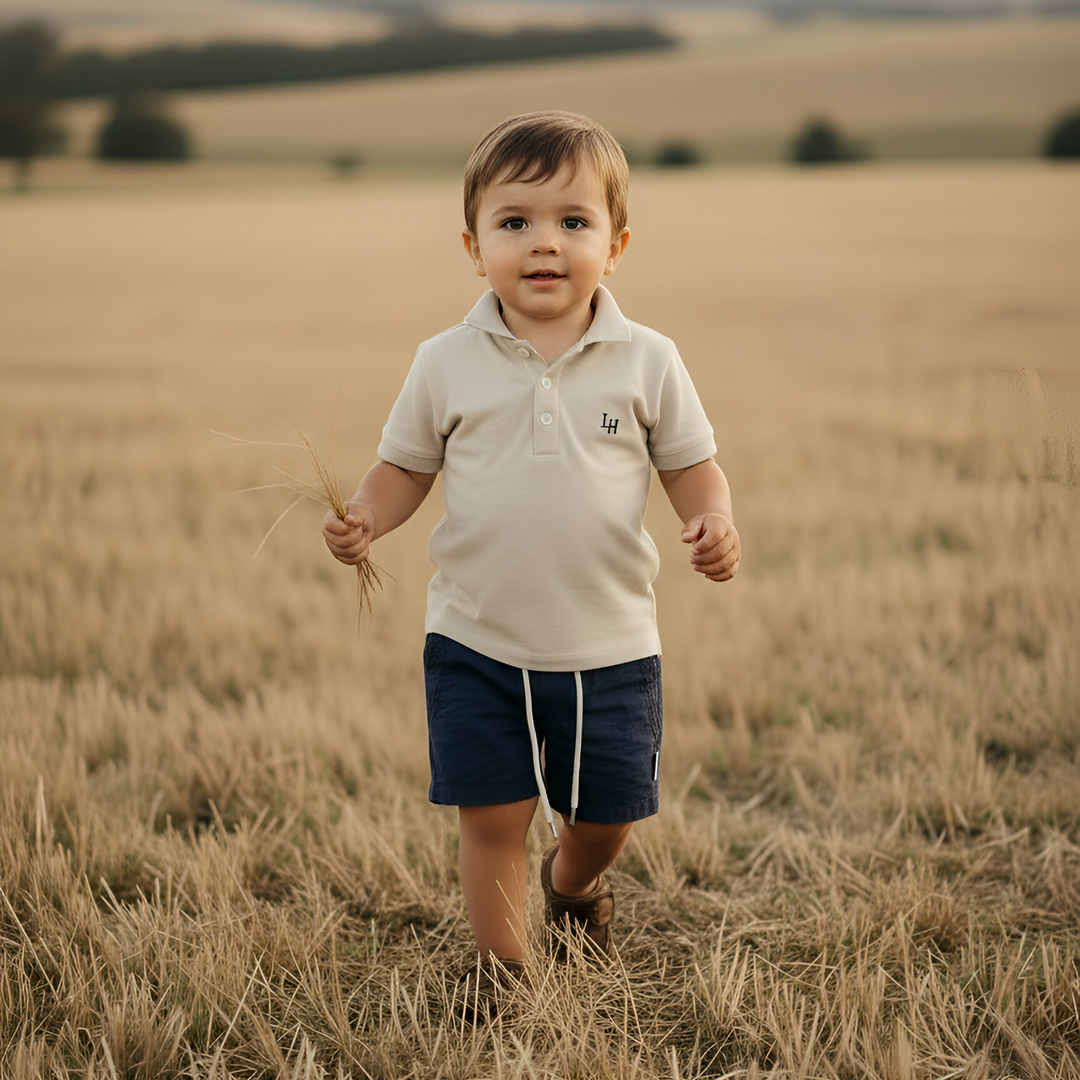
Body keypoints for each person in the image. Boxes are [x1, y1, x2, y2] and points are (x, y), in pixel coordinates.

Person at [322, 111, 740, 993]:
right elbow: (404, 466)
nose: (543, 244)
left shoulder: (648, 359)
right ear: (474, 245)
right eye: (515, 223)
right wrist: (366, 513)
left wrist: (712, 524)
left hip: (611, 646)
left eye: (573, 222)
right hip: (474, 638)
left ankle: (574, 880)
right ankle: (501, 972)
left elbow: (694, 471)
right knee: (493, 813)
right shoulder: (445, 361)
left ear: (616, 245)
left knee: (606, 817)